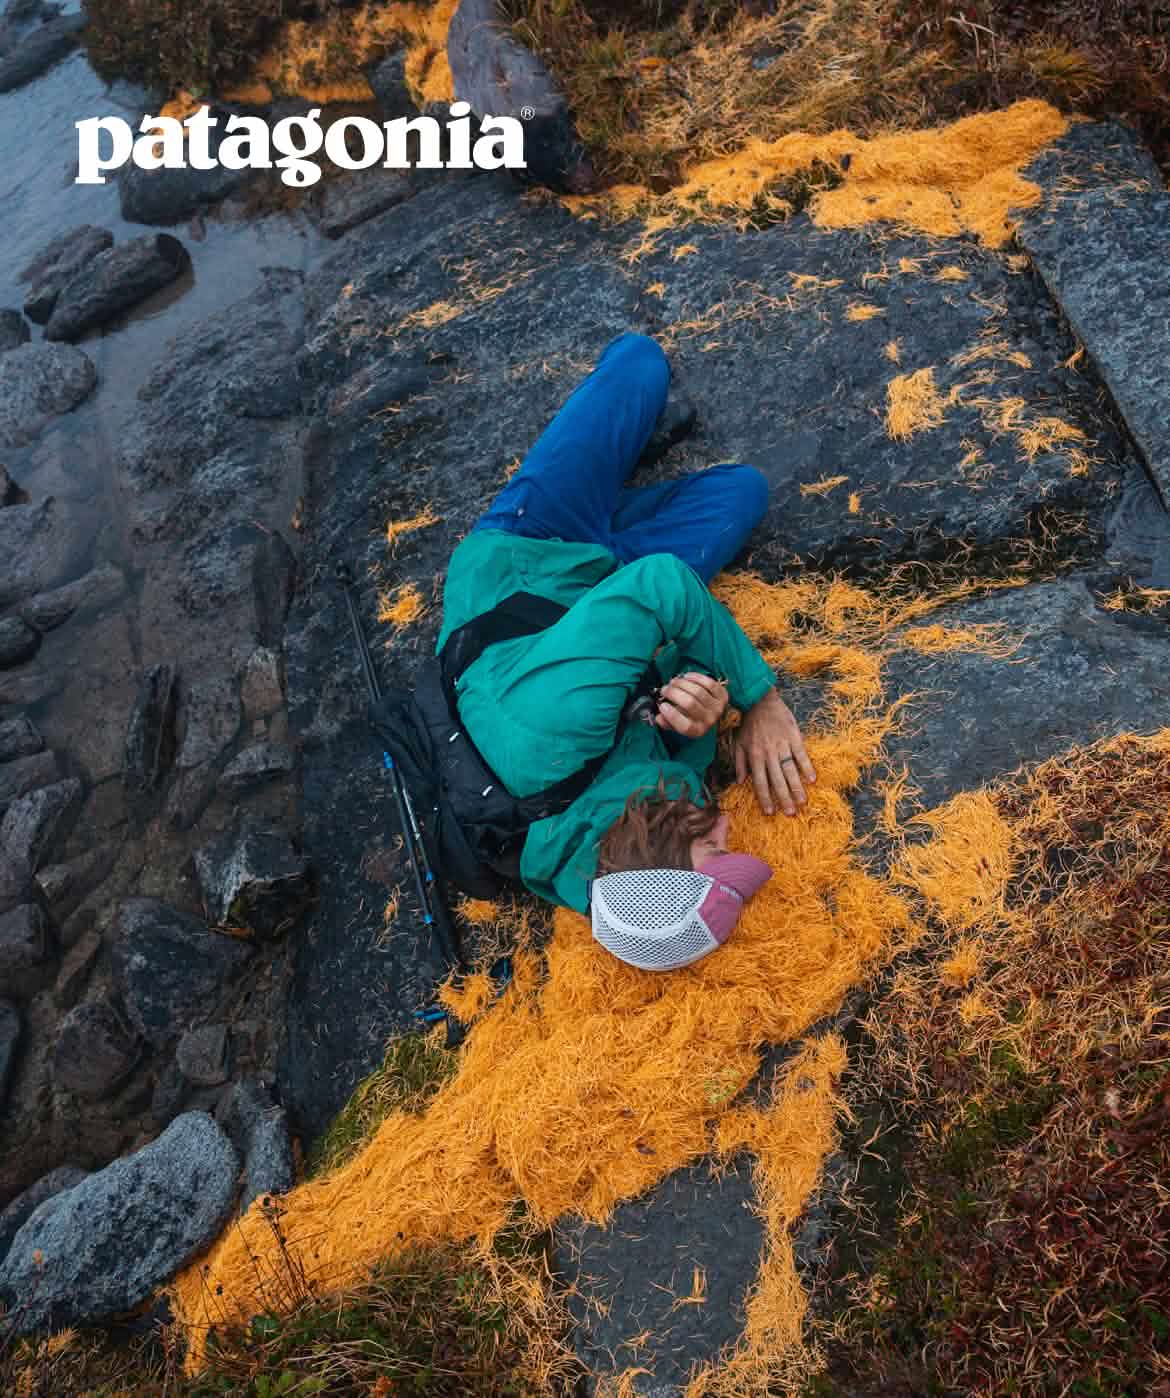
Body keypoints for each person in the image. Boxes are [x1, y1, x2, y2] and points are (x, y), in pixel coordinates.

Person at [436, 332, 816, 969]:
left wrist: (760, 699)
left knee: (641, 362)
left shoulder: (553, 733)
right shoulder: (620, 835)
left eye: (717, 855)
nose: (729, 833)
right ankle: (617, 481)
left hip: (533, 551)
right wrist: (700, 716)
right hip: (600, 589)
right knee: (742, 492)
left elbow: (662, 584)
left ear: (658, 867)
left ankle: (597, 473)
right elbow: (664, 724)